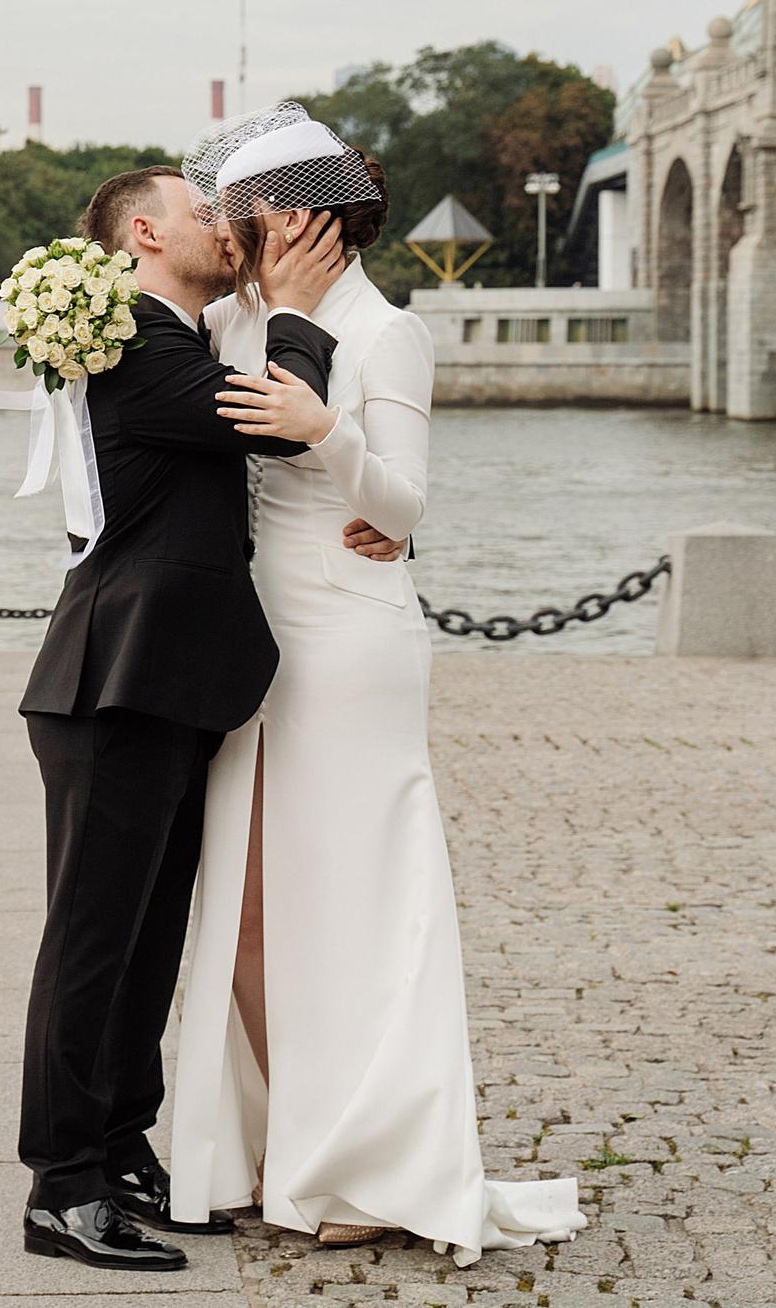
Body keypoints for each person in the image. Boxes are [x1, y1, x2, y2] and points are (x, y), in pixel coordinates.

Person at [169, 109, 586, 1263]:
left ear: (296, 215)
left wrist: (328, 431)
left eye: (235, 214)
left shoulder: (386, 328)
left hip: (347, 643)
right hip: (248, 630)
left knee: (349, 899)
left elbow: (401, 505)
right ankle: (287, 1140)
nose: (221, 230)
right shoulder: (230, 320)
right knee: (248, 904)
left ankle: (369, 1163)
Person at [15, 163, 348, 1272]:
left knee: (148, 941)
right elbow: (276, 424)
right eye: (205, 209)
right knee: (93, 941)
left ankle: (117, 1146)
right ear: (145, 235)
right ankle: (60, 1185)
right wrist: (298, 312)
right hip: (114, 678)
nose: (229, 221)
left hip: (168, 679)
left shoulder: (168, 339)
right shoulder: (128, 344)